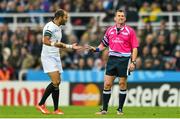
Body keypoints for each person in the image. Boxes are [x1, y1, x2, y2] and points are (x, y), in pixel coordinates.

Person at [88, 9, 139, 115]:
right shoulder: (109, 30)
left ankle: (120, 109)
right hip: (112, 59)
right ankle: (104, 109)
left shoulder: (130, 31)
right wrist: (96, 49)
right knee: (107, 84)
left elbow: (134, 48)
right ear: (115, 18)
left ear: (125, 18)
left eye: (123, 16)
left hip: (124, 59)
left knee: (122, 83)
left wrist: (133, 62)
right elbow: (103, 44)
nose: (121, 17)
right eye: (119, 15)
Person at [36, 9, 82, 115]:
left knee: (57, 83)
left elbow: (59, 43)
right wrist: (55, 44)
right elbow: (45, 41)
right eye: (65, 17)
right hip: (48, 57)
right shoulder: (50, 27)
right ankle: (41, 104)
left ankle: (56, 109)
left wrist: (71, 46)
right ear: (59, 17)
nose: (67, 19)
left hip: (56, 56)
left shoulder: (58, 28)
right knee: (55, 82)